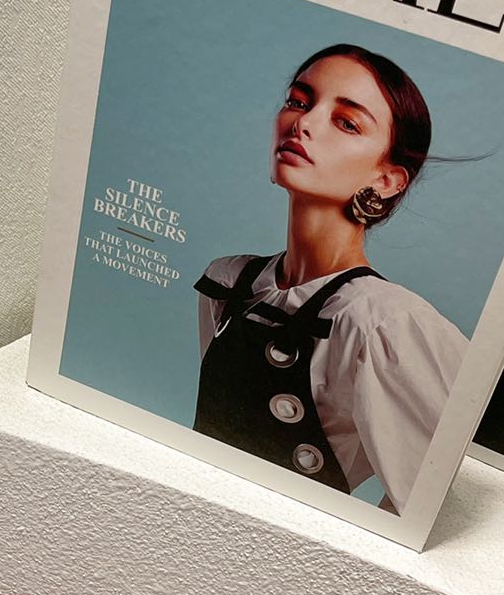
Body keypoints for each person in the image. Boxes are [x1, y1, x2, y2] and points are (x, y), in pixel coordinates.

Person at [194, 44, 466, 512]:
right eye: (298, 101)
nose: (303, 123)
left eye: (347, 123)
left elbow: (438, 502)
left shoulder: (384, 324)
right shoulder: (228, 281)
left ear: (387, 179)